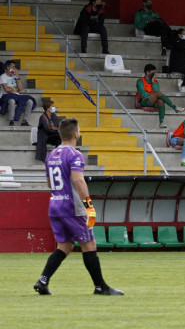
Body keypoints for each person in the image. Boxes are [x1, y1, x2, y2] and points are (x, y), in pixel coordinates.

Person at [33, 118, 123, 296]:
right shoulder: (75, 155)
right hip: (72, 207)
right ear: (76, 134)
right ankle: (100, 287)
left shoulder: (51, 156)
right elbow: (78, 180)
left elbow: (50, 182)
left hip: (55, 205)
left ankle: (42, 280)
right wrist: (88, 204)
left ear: (60, 134)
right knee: (89, 243)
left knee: (64, 246)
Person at [136, 64, 183, 128]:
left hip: (153, 101)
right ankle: (175, 107)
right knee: (158, 94)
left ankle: (161, 122)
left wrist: (153, 82)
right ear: (147, 73)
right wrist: (152, 95)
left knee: (161, 100)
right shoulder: (140, 81)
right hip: (144, 101)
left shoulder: (155, 82)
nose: (155, 75)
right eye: (153, 73)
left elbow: (157, 92)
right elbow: (142, 94)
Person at [0, 60, 36, 128]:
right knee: (11, 101)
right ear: (8, 68)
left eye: (15, 67)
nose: (14, 68)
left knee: (30, 101)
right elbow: (7, 90)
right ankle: (11, 120)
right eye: (13, 67)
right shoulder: (3, 77)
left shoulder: (15, 77)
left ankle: (24, 121)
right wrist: (15, 89)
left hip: (17, 96)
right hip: (8, 97)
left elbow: (21, 88)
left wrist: (18, 76)